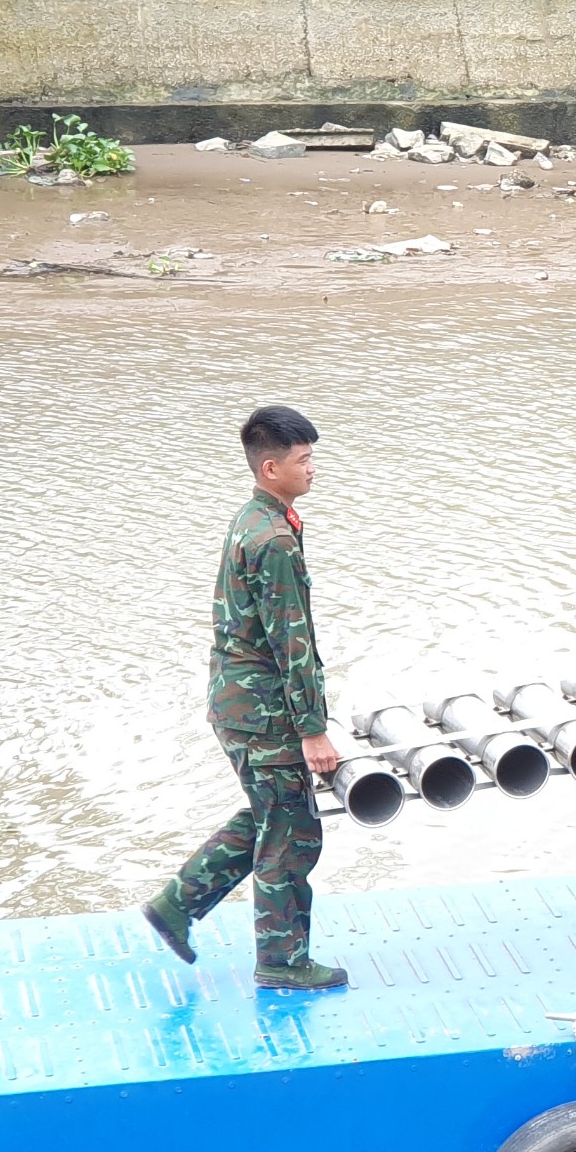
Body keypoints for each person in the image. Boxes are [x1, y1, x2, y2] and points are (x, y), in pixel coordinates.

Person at [141, 406, 349, 989]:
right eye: (303, 460)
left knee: (269, 812)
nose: (313, 470)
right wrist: (313, 729)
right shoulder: (274, 539)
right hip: (264, 714)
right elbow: (293, 641)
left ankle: (177, 905)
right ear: (270, 467)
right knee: (293, 831)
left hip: (235, 702)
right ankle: (281, 961)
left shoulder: (253, 519)